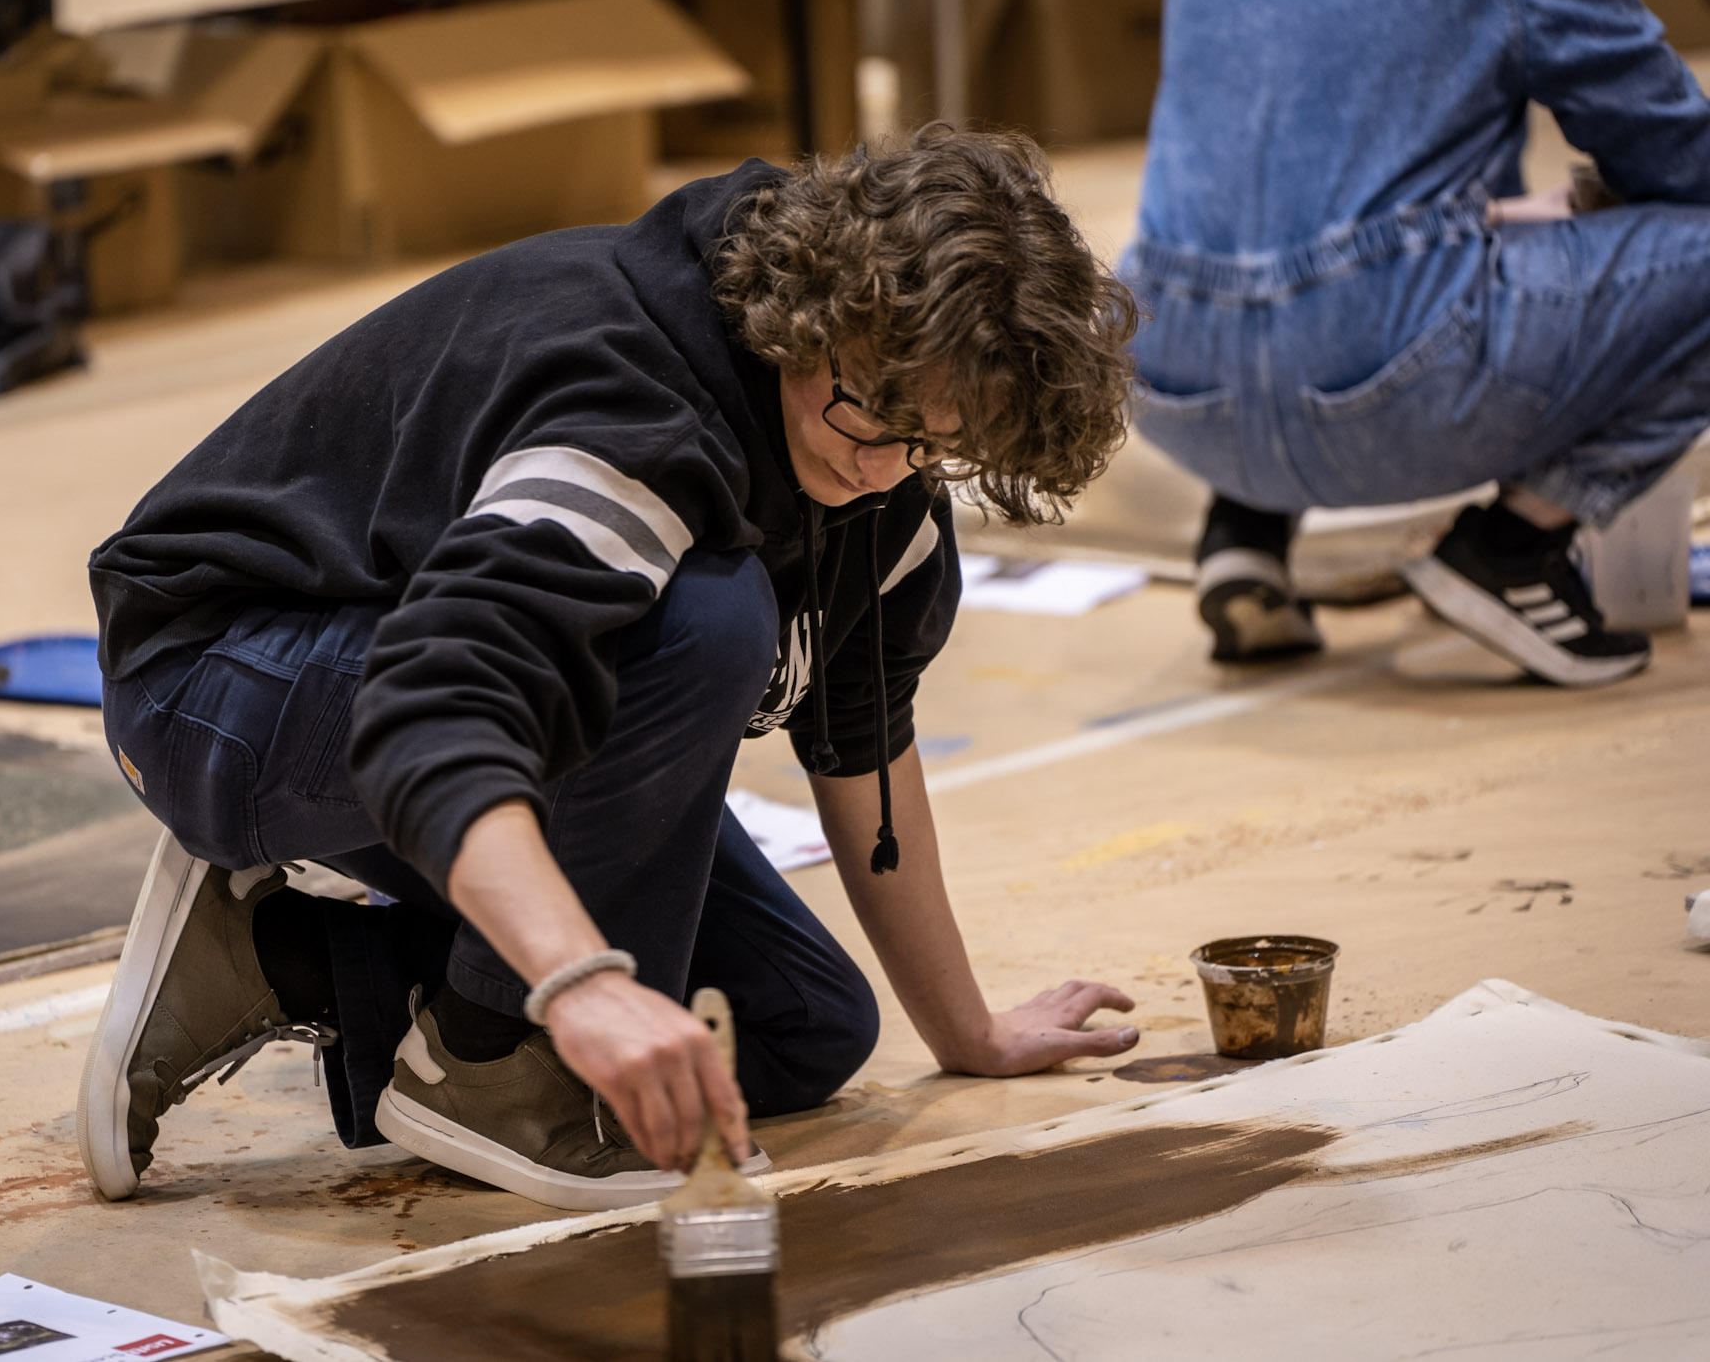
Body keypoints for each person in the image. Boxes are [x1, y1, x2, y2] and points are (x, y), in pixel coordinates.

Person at [75, 126, 1142, 1211]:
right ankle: (490, 1066)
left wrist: (968, 1033)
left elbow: (864, 741)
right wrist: (575, 988)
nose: (881, 469)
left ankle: (276, 951)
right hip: (219, 682)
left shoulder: (883, 468)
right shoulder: (631, 418)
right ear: (809, 315)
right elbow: (429, 717)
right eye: (867, 411)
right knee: (705, 616)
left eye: (932, 440)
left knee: (800, 1025)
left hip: (414, 680)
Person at [1124, 0, 1710, 684]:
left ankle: (1246, 527)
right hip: (1382, 383)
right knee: (1372, 278)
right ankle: (1516, 546)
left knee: (1296, 211)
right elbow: (1669, 149)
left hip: (1165, 373)